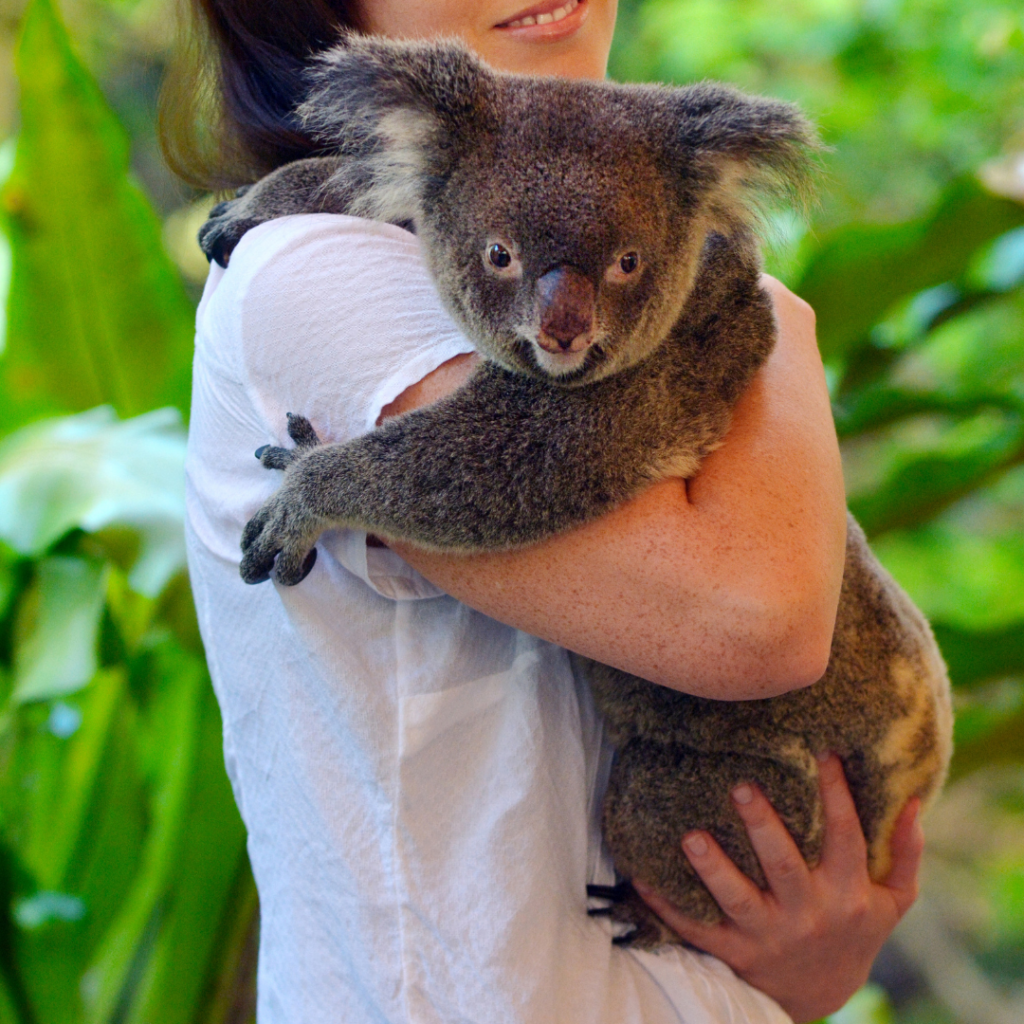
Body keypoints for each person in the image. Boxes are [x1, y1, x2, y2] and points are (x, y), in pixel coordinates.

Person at [169, 2, 925, 1021]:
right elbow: (759, 620)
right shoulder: (314, 271)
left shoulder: (527, 206)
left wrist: (805, 977)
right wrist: (769, 311)